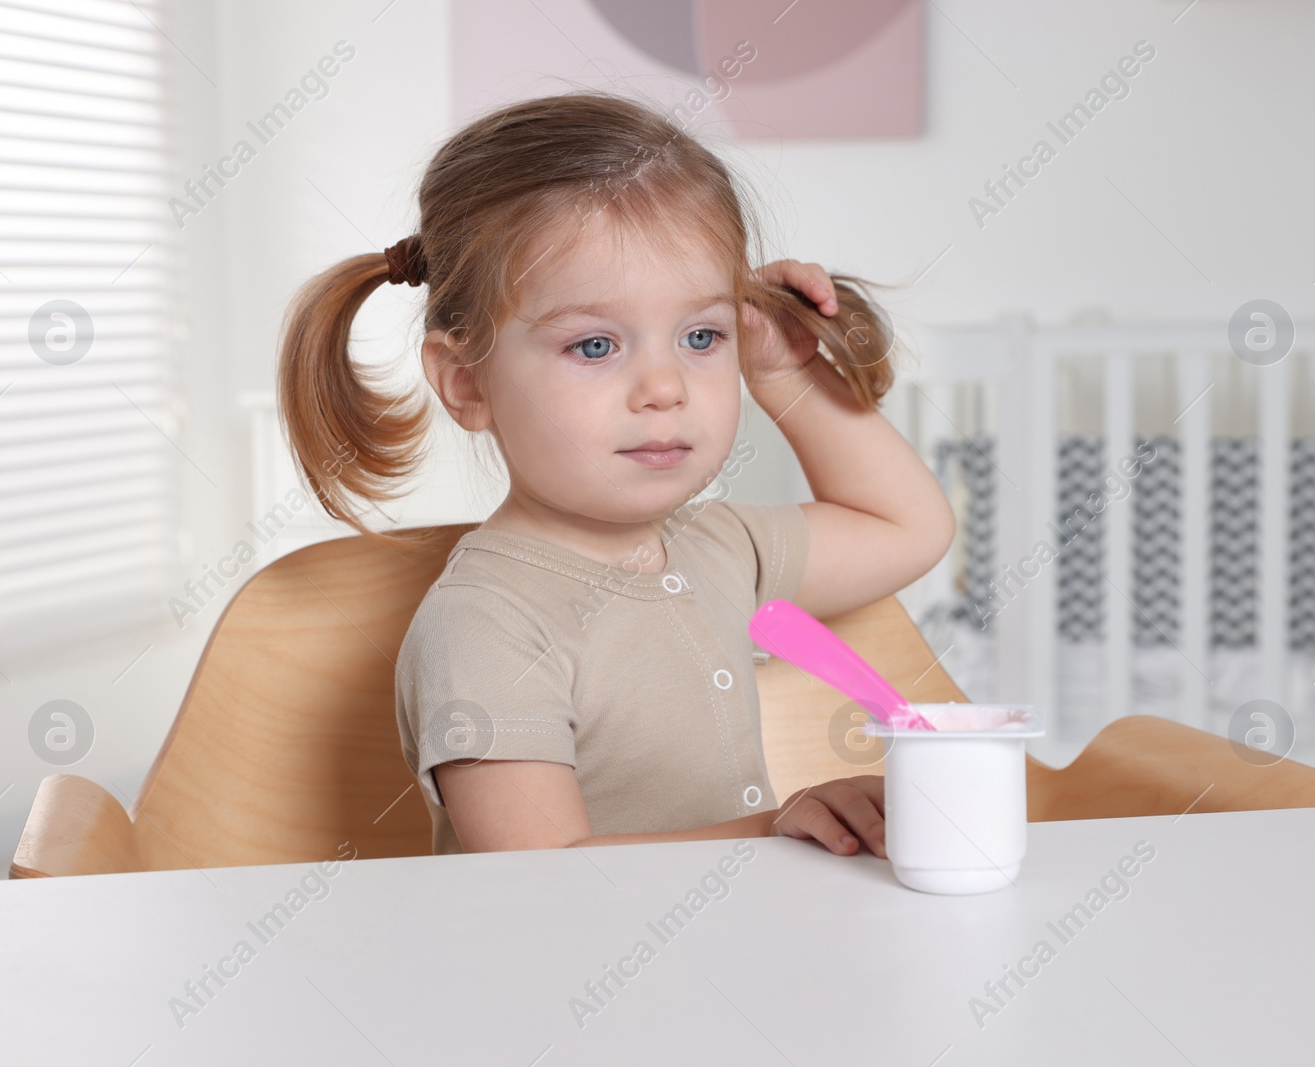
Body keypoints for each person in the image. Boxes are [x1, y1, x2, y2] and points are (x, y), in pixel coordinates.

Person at [276, 91, 955, 858]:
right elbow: (540, 873)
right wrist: (775, 830)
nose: (665, 387)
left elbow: (910, 527)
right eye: (596, 346)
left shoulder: (719, 546)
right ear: (466, 382)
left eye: (702, 335)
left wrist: (785, 369)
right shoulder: (487, 624)